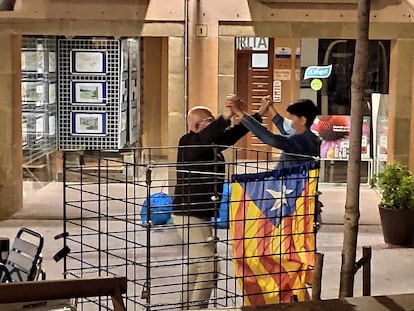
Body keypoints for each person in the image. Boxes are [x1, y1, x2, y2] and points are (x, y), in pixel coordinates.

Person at [172, 96, 264, 309]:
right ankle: (197, 309)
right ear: (197, 126)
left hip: (199, 215)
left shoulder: (209, 145)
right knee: (209, 267)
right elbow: (209, 137)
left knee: (198, 266)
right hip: (189, 215)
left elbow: (232, 135)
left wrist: (258, 115)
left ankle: (186, 307)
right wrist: (226, 115)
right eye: (209, 120)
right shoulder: (188, 142)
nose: (214, 124)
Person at [229, 95, 321, 168]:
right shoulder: (309, 138)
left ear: (302, 120)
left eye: (291, 117)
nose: (288, 118)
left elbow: (270, 138)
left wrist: (240, 113)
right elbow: (283, 127)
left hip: (292, 187)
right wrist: (270, 108)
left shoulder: (301, 142)